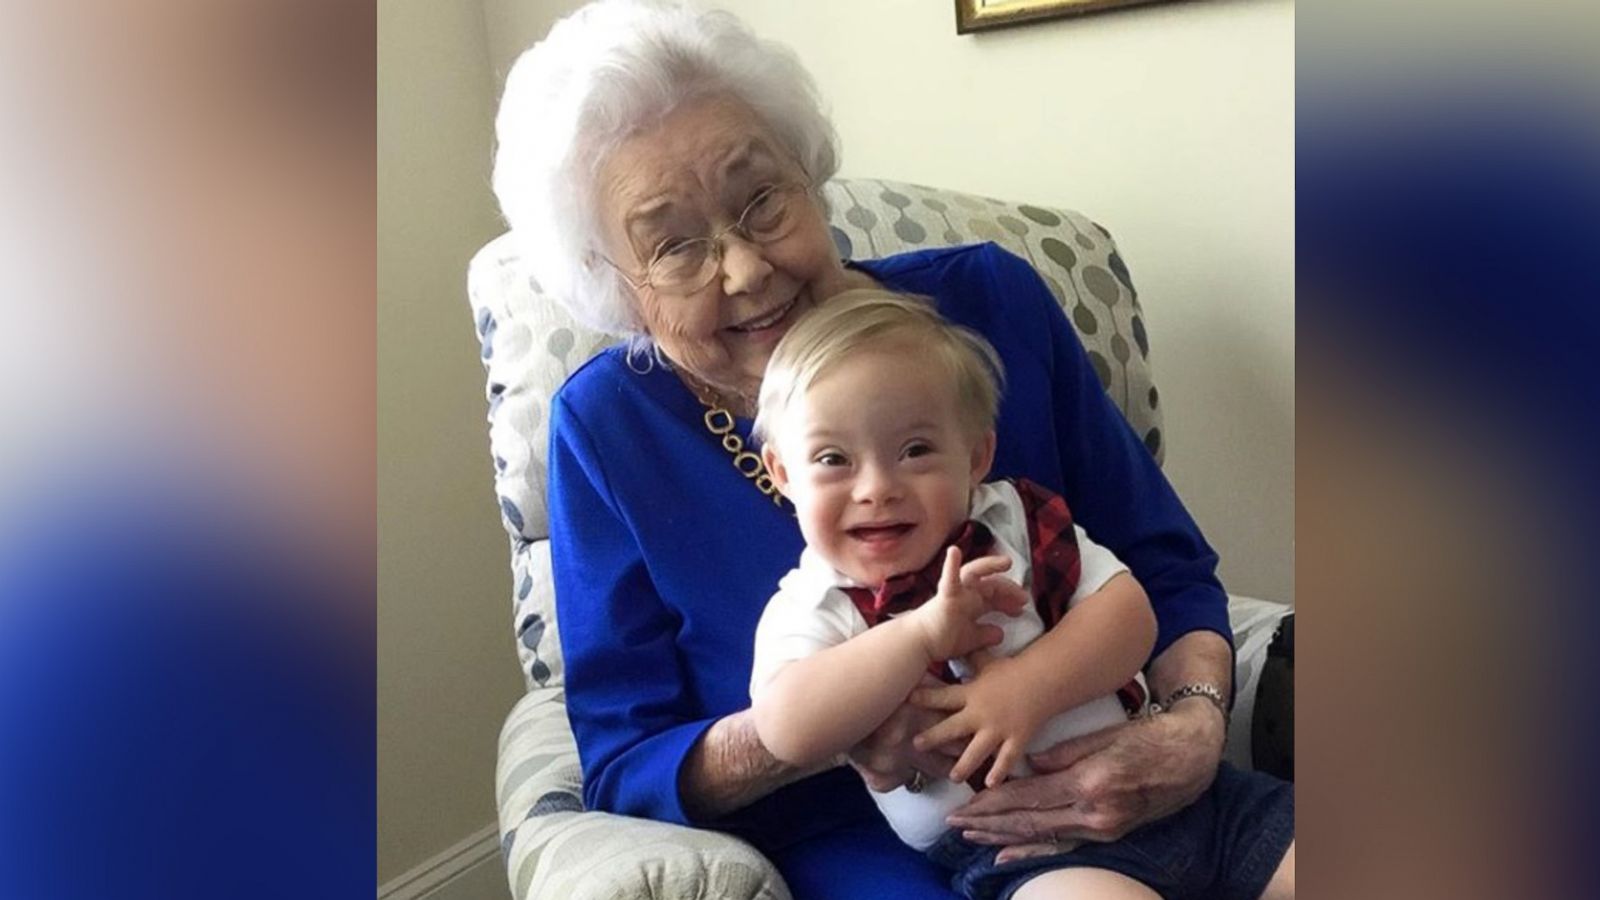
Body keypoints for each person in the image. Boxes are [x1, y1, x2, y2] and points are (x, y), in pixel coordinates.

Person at [492, 1, 1294, 897]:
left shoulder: (987, 309)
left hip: (1124, 756)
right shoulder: (608, 431)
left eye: (762, 201)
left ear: (811, 175)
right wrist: (830, 722)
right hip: (860, 837)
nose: (746, 268)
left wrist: (1189, 730)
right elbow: (627, 756)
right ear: (613, 285)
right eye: (674, 245)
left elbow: (1161, 565)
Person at [746, 291, 1292, 899]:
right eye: (832, 459)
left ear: (976, 455)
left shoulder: (1016, 524)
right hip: (1031, 854)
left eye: (916, 451)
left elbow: (1127, 615)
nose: (877, 487)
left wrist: (1024, 688)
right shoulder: (818, 602)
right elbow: (787, 729)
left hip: (1192, 802)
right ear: (784, 473)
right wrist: (919, 634)